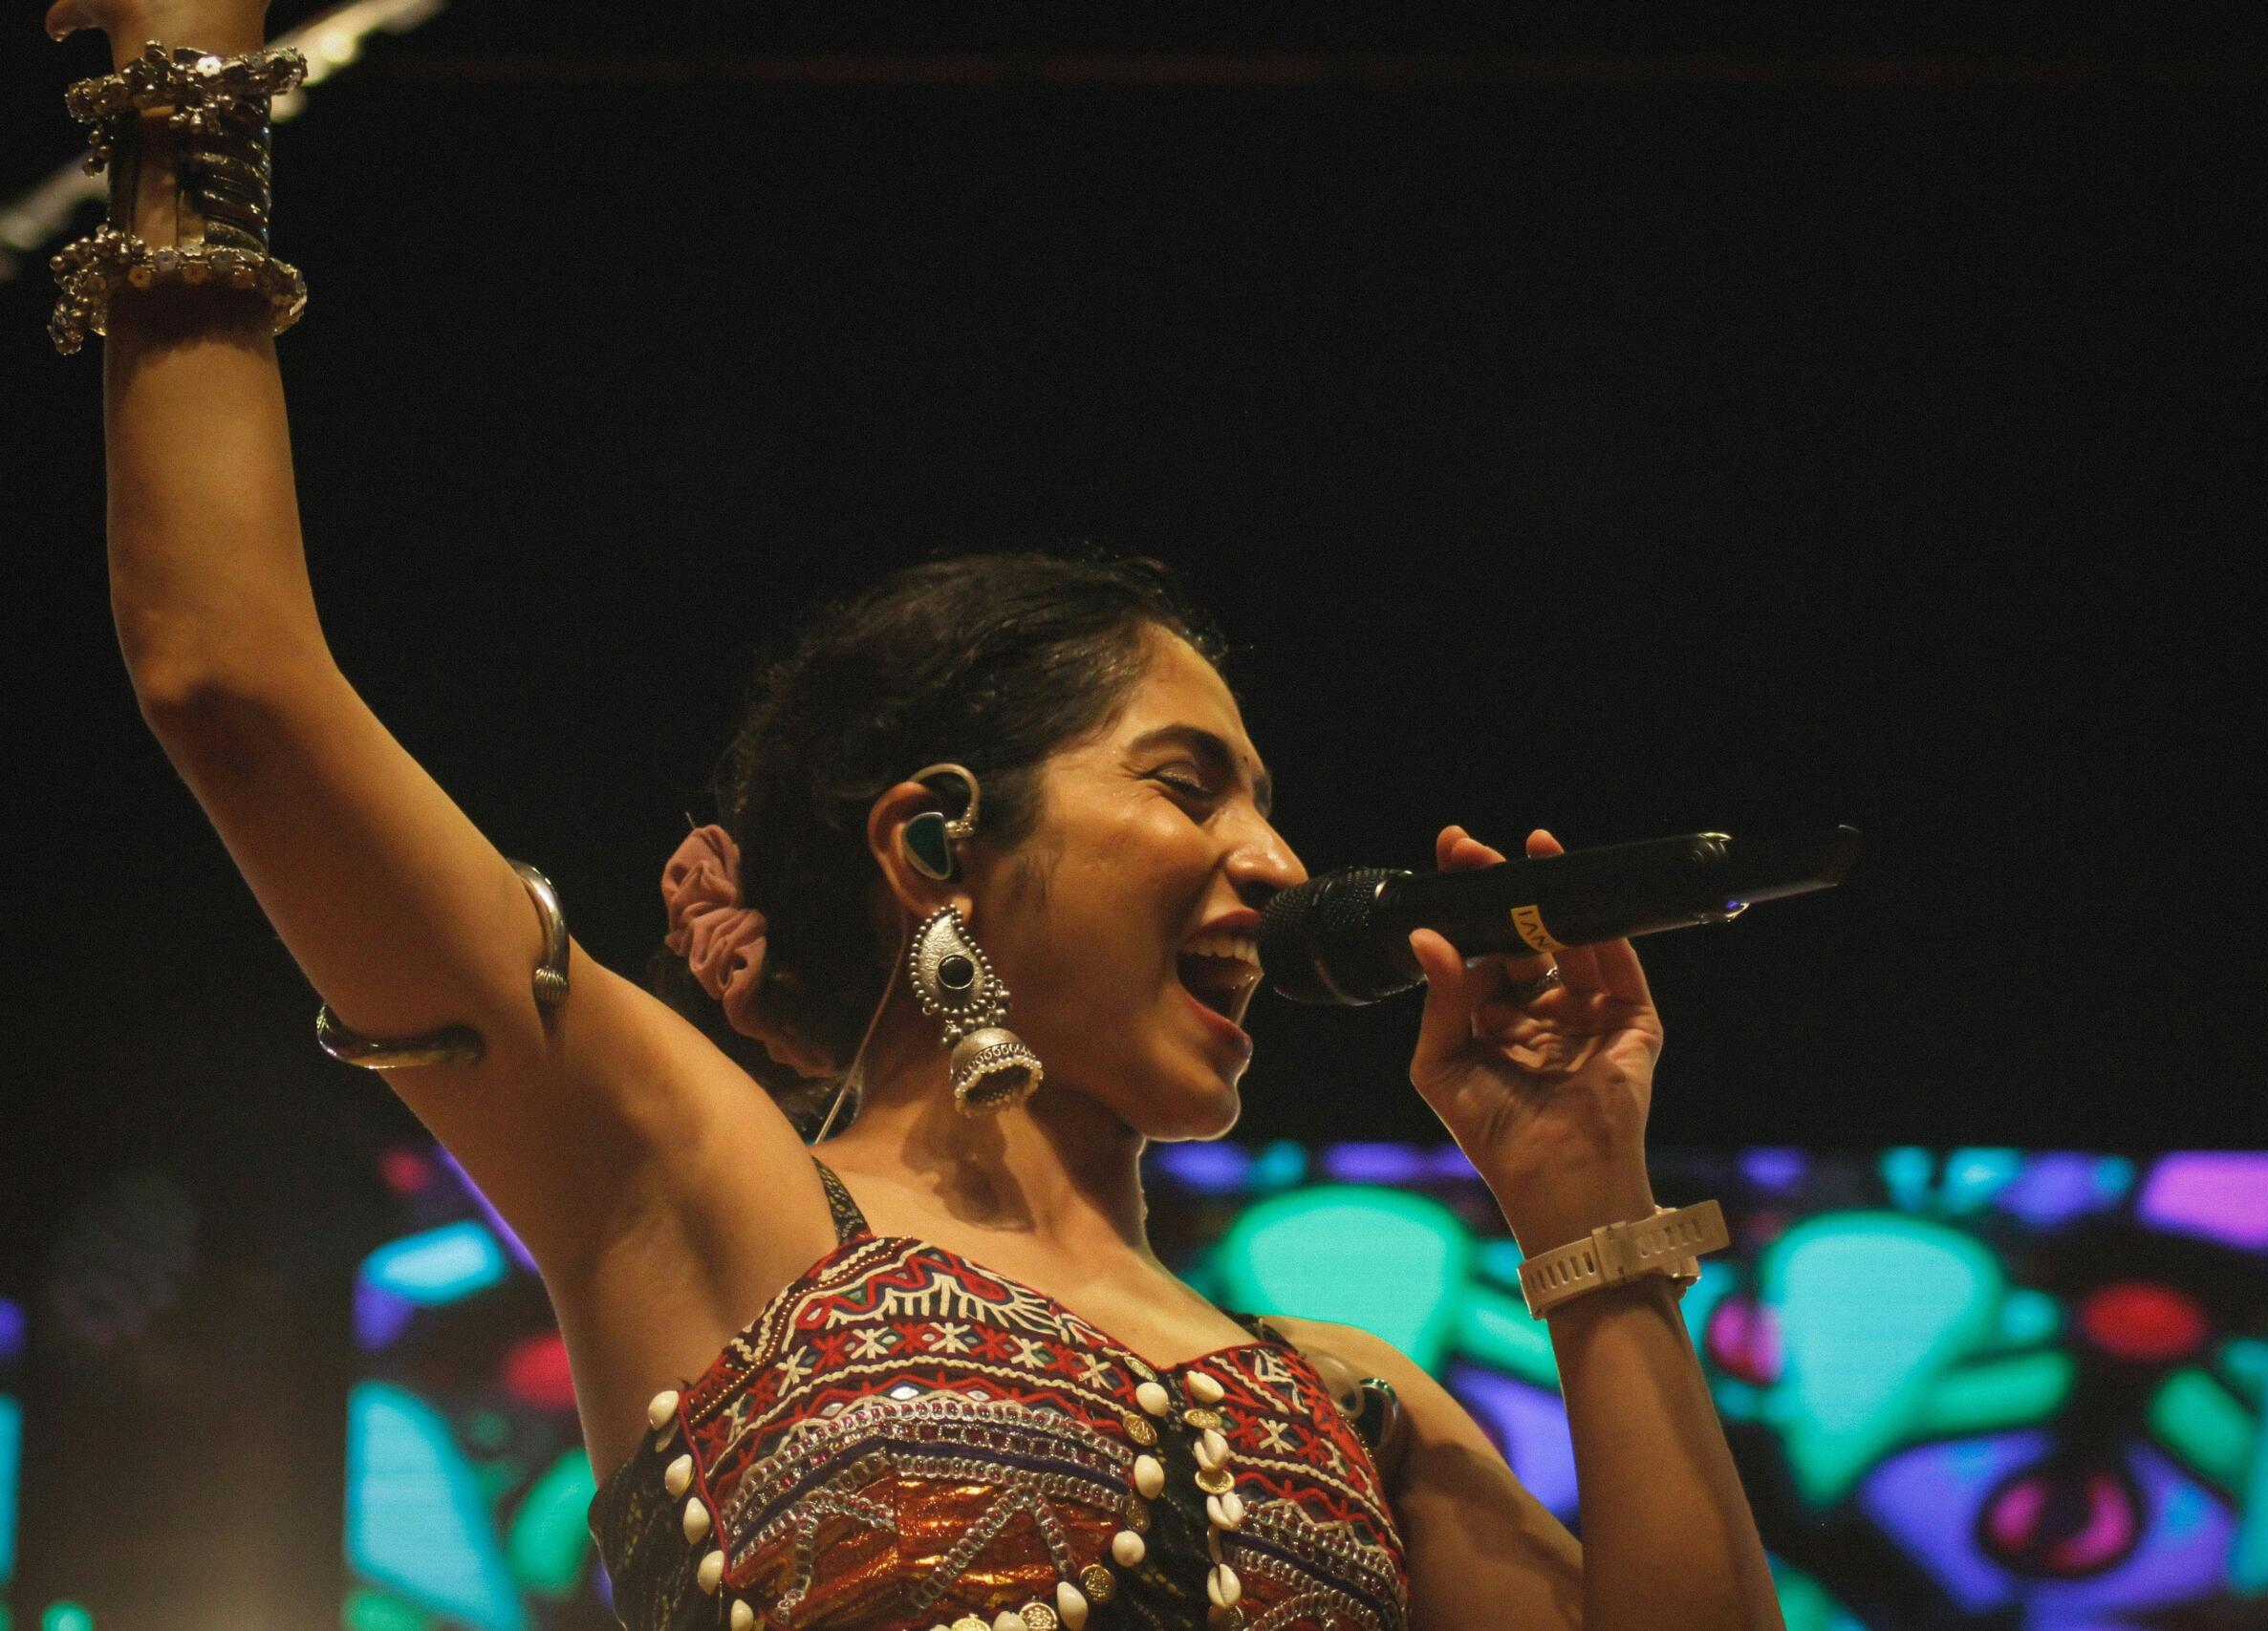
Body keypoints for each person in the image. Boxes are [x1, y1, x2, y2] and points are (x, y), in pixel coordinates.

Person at [50, 0, 1784, 1625]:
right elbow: (232, 679)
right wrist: (184, 85)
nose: (1278, 865)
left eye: (1268, 810)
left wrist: (1582, 1213)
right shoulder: (705, 1194)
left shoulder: (1356, 1406)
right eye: (1189, 787)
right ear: (933, 843)